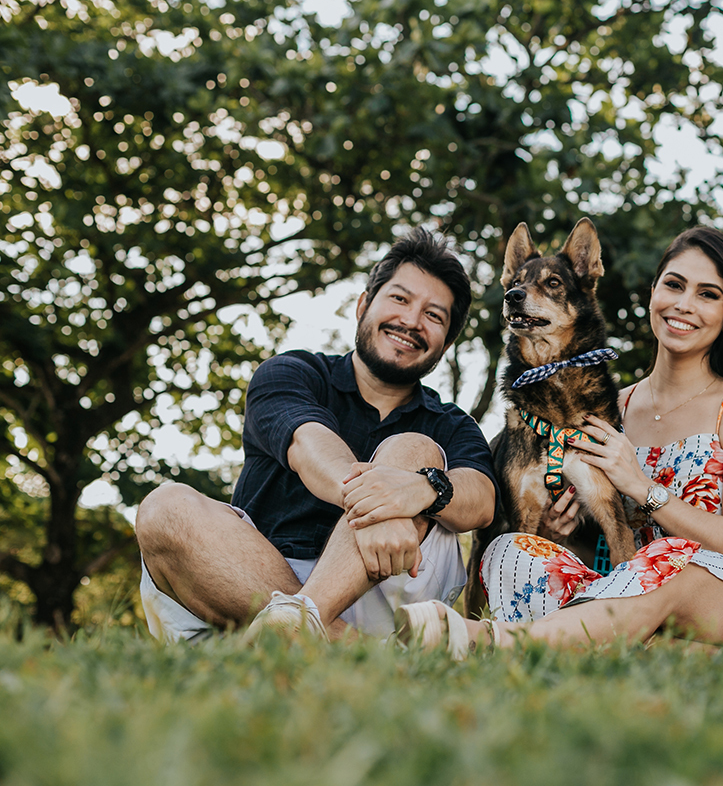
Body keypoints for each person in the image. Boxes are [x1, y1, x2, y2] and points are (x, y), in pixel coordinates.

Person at [395, 227, 723, 656]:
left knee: (668, 559)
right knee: (510, 551)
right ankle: (700, 658)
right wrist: (553, 531)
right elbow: (601, 544)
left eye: (708, 294)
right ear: (653, 293)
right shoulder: (603, 410)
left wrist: (643, 488)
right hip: (620, 593)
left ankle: (483, 640)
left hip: (721, 593)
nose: (684, 304)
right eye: (674, 285)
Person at [135, 228, 498, 642]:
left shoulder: (451, 422)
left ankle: (301, 625)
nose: (411, 321)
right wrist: (380, 503)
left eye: (434, 316)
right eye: (399, 298)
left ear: (445, 344)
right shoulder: (293, 372)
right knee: (165, 506)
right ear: (363, 305)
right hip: (249, 577)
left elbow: (482, 500)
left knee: (411, 448)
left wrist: (423, 488)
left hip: (389, 579)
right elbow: (308, 445)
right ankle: (347, 646)